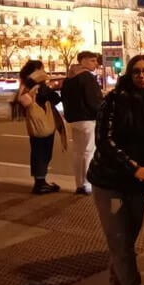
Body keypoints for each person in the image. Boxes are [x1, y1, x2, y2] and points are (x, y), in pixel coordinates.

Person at [87, 55, 144, 285]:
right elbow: (104, 141)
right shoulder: (114, 100)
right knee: (119, 240)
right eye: (137, 71)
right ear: (129, 74)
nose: (143, 76)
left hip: (137, 182)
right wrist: (134, 168)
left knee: (125, 241)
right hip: (110, 182)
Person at [13, 60, 66, 194]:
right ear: (37, 70)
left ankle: (40, 181)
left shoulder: (26, 84)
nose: (44, 71)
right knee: (43, 153)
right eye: (42, 68)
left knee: (37, 152)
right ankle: (40, 184)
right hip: (43, 123)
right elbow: (55, 98)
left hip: (34, 123)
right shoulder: (38, 86)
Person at [61, 50, 103, 195]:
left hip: (74, 119)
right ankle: (87, 184)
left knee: (78, 152)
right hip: (87, 119)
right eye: (92, 60)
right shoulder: (87, 77)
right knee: (88, 151)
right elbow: (93, 101)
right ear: (83, 60)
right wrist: (101, 111)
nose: (95, 63)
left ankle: (79, 184)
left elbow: (64, 99)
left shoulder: (69, 78)